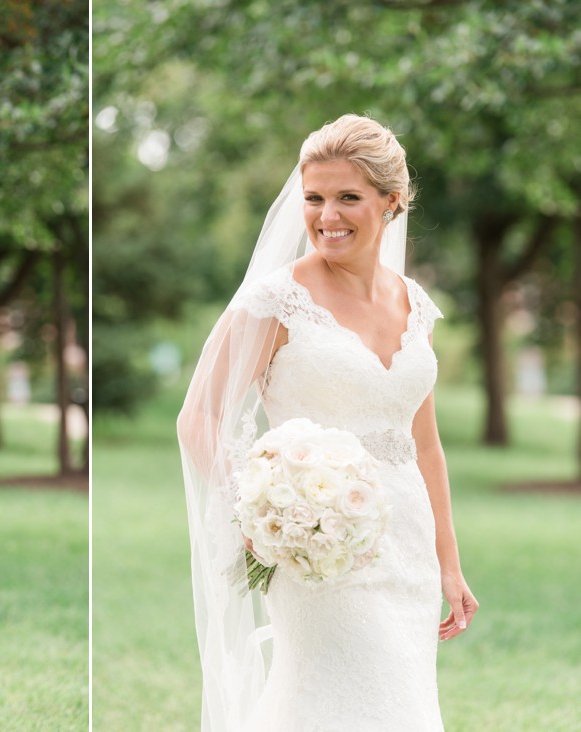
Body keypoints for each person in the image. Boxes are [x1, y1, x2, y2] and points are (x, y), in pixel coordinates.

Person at [177, 115, 478, 731]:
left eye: (347, 198)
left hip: (407, 547)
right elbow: (199, 417)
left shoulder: (414, 303)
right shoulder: (276, 299)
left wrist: (449, 563)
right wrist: (260, 517)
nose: (325, 216)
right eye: (314, 198)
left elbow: (424, 444)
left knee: (403, 702)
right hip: (315, 544)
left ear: (391, 202)